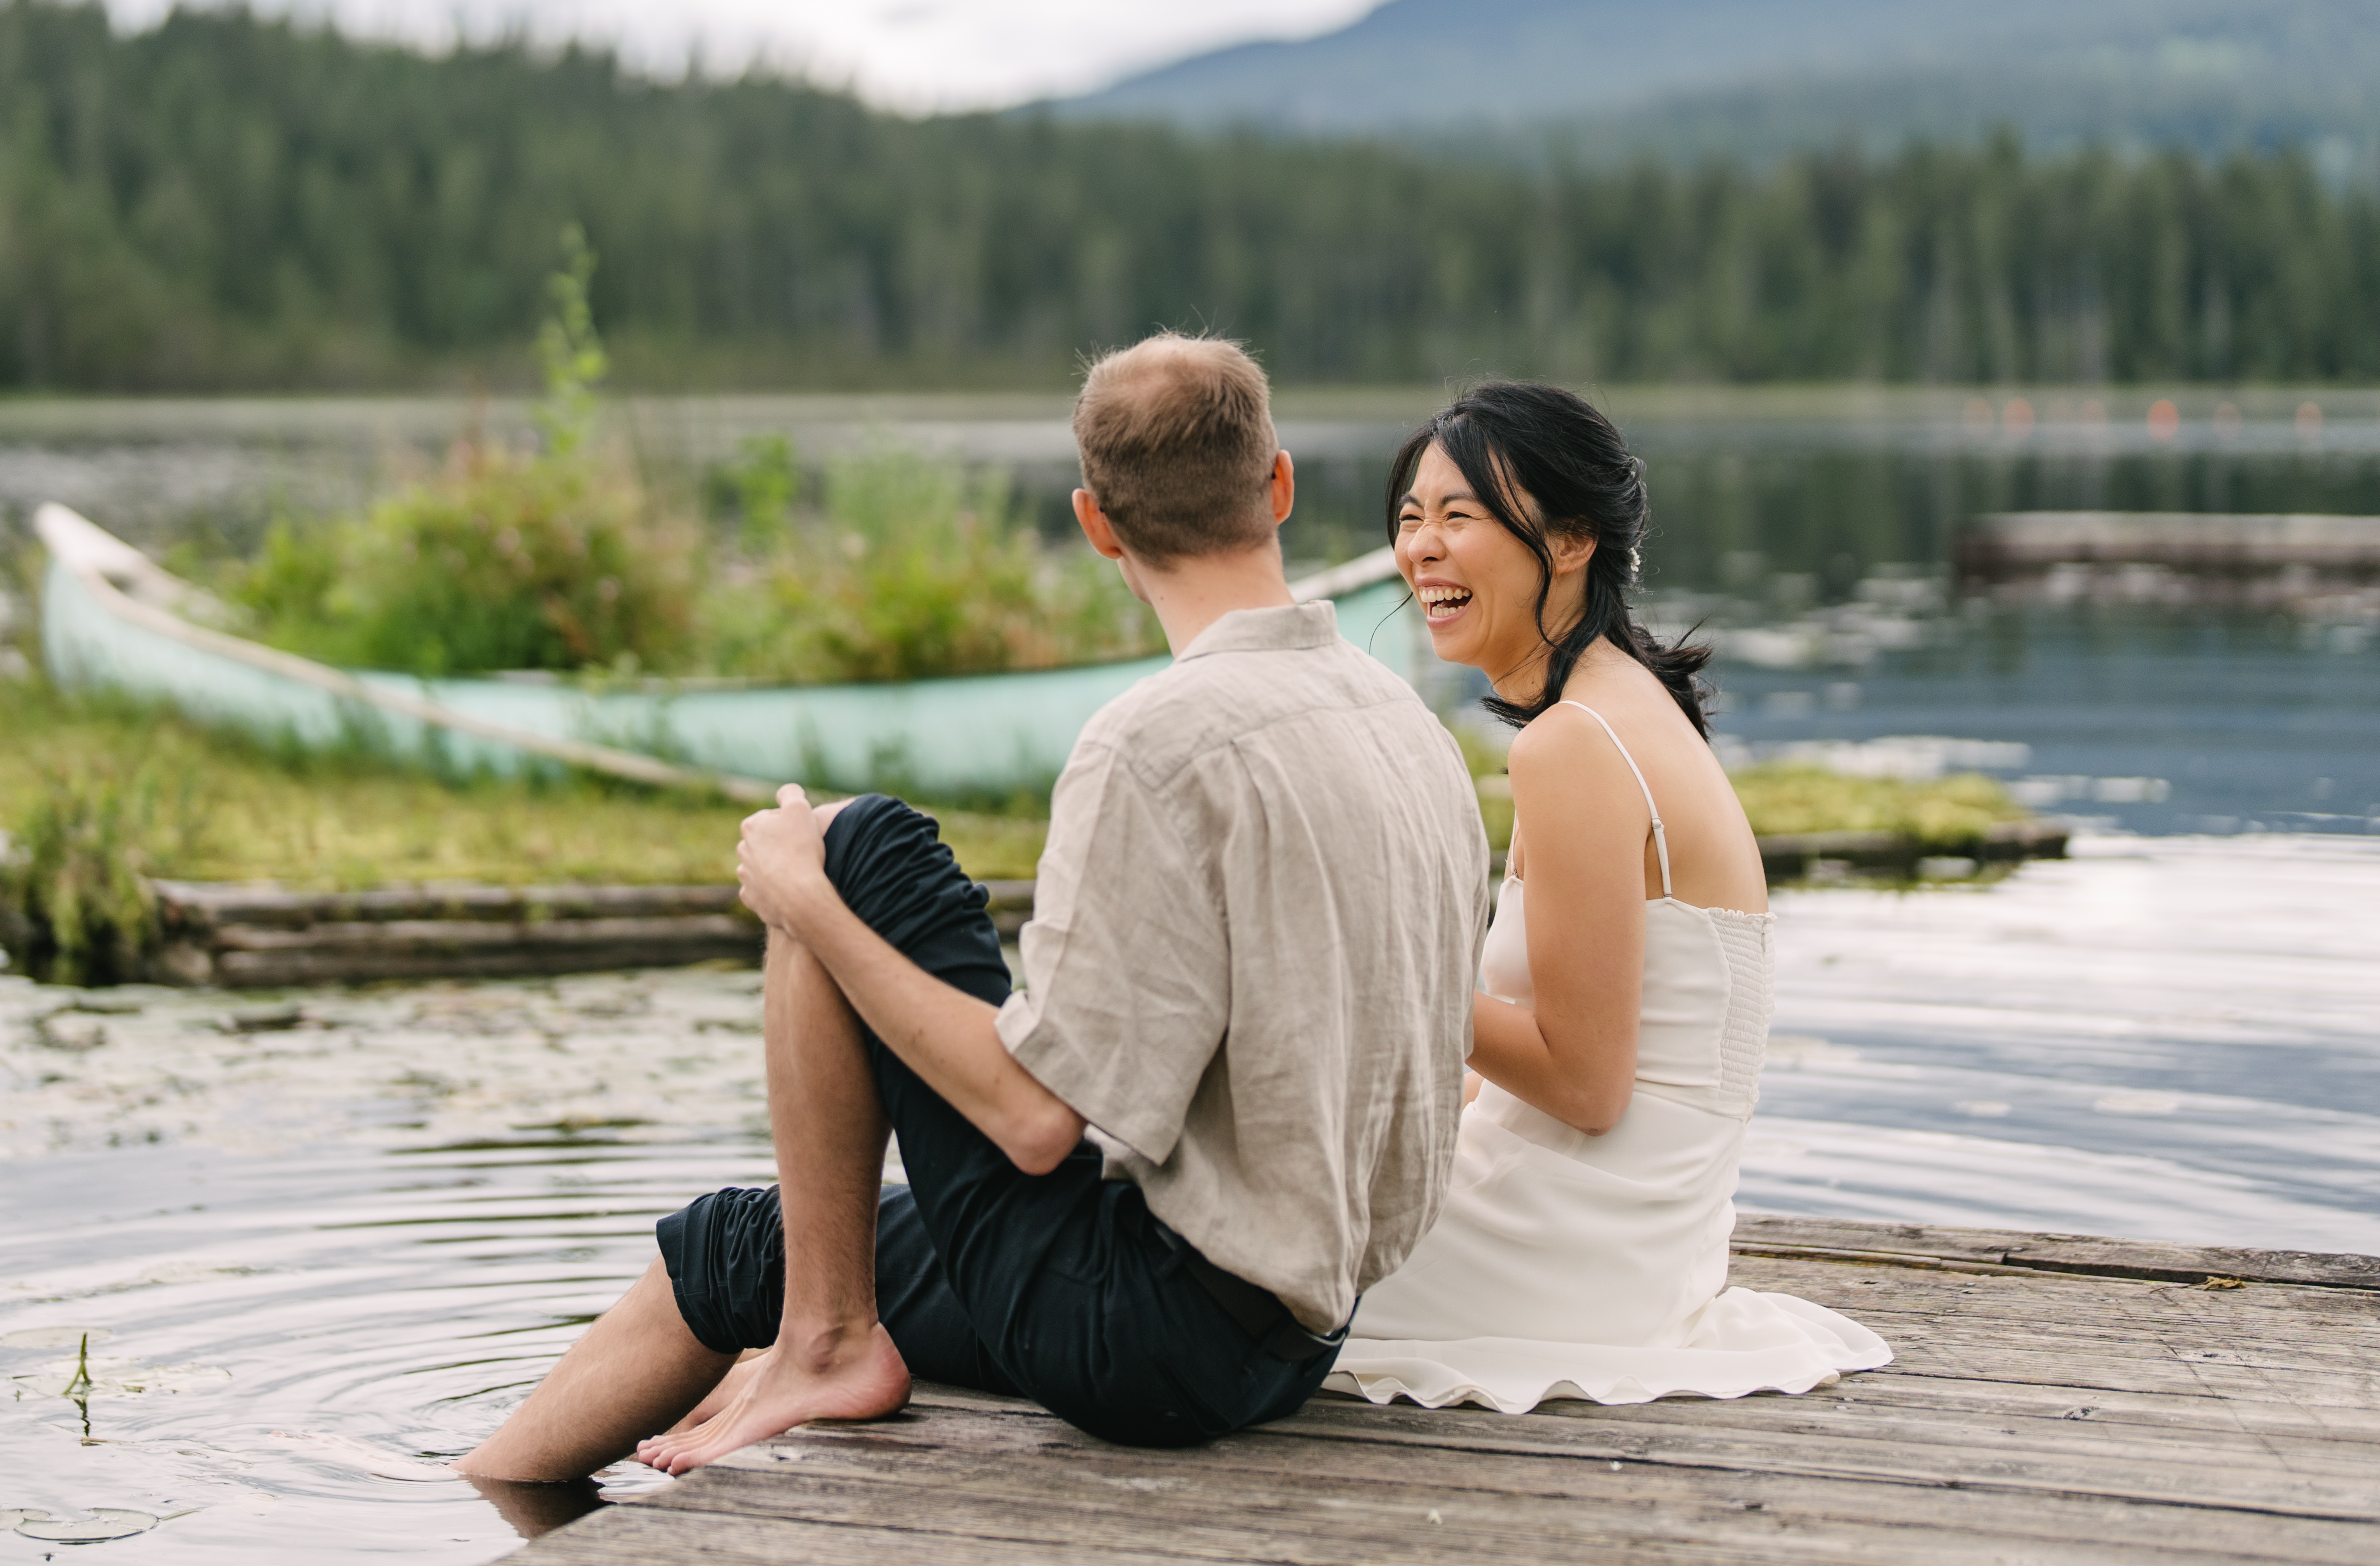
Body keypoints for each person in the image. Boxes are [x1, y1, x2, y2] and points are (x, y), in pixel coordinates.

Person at [457, 333, 1490, 1485]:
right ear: (1281, 484)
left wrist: (808, 904)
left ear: (1095, 523)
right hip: (1305, 1329)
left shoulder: (1155, 742)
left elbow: (1037, 1121)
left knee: (855, 849)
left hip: (1146, 1342)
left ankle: (748, 1375)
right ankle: (806, 1338)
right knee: (744, 1240)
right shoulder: (1411, 730)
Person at [1325, 382, 1890, 1413]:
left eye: (1461, 516)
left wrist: (1394, 978)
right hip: (1629, 1238)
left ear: (1573, 537)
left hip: (1576, 1254)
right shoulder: (1611, 707)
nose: (1423, 551)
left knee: (1201, 1237)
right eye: (1411, 520)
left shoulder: (1575, 744)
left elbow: (1586, 1085)